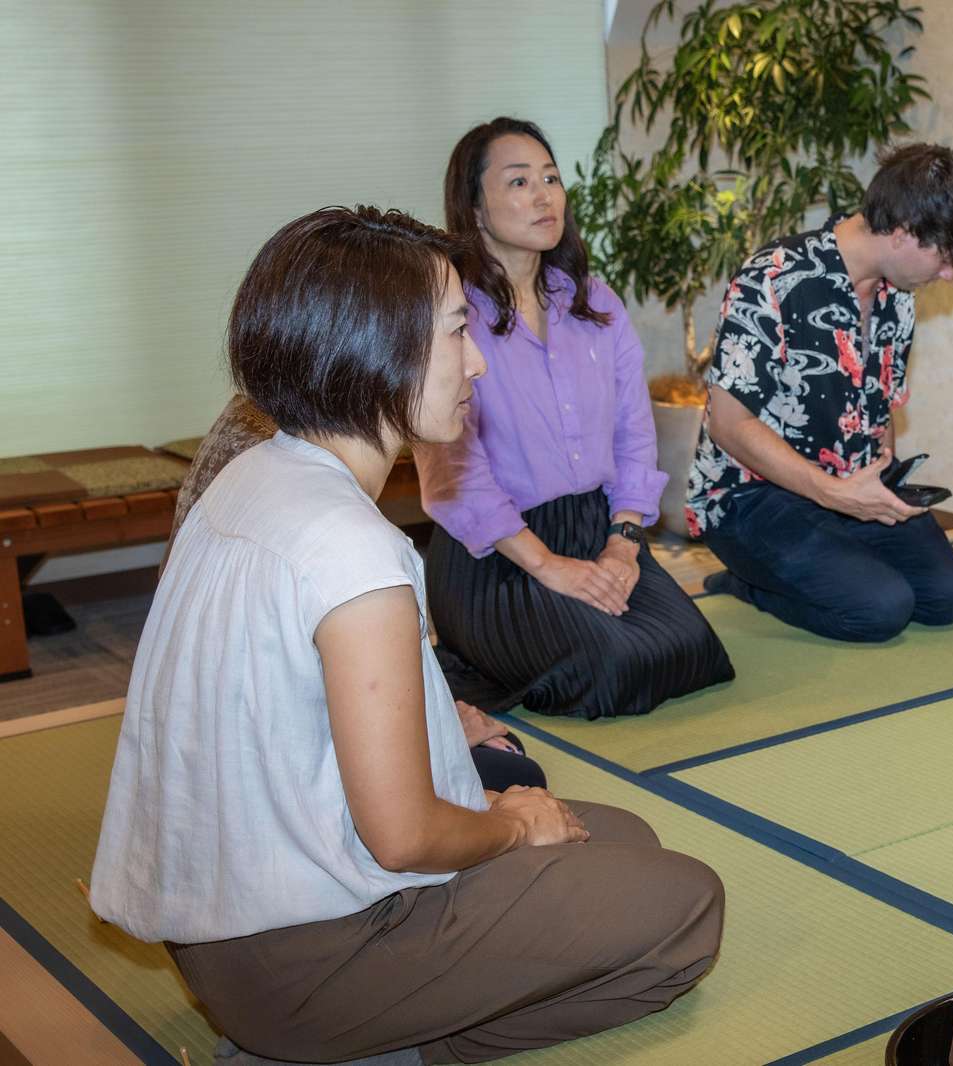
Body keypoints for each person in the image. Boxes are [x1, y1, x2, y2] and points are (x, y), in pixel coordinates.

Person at [91, 206, 724, 1065]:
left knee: (619, 840)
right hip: (314, 957)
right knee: (687, 906)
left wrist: (500, 808)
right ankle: (375, 1051)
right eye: (459, 331)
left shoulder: (253, 477)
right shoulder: (355, 550)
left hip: (228, 928)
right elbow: (402, 838)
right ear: (377, 347)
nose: (477, 361)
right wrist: (509, 826)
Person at [416, 117, 733, 719]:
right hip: (499, 553)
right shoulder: (454, 318)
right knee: (616, 667)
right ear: (475, 209)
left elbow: (634, 433)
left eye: (551, 178)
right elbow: (456, 475)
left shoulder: (593, 300)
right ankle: (476, 652)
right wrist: (547, 566)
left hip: (596, 529)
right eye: (519, 182)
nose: (544, 196)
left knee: (691, 651)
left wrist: (623, 545)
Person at [688, 143, 953, 642]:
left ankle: (832, 561)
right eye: (945, 258)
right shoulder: (773, 277)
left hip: (847, 489)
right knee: (881, 609)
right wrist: (832, 492)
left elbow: (881, 407)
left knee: (947, 597)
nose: (947, 275)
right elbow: (729, 424)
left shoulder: (898, 295)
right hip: (752, 497)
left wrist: (881, 484)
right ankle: (747, 583)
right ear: (902, 230)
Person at [169, 394, 548, 793]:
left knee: (505, 753)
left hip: (207, 704)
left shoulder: (269, 430)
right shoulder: (345, 526)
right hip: (260, 747)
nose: (476, 366)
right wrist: (441, 736)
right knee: (518, 773)